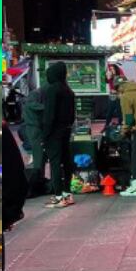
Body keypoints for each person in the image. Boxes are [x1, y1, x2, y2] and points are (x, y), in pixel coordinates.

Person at [39, 61, 76, 208]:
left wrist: (44, 135)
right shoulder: (68, 90)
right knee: (66, 162)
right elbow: (72, 115)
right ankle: (67, 193)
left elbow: (49, 115)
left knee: (54, 163)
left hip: (54, 132)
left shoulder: (52, 90)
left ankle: (58, 196)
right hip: (66, 130)